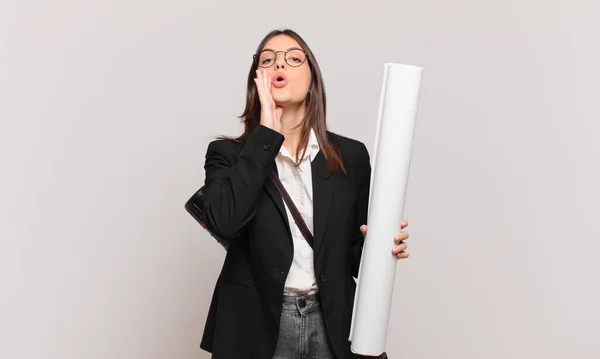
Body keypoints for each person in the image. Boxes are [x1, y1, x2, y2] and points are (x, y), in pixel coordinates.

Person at [193, 29, 410, 359]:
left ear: (313, 78)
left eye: (293, 58)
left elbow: (352, 255)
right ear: (257, 80)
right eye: (268, 59)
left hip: (333, 321)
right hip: (257, 326)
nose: (279, 63)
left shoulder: (350, 156)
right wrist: (266, 135)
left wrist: (382, 247)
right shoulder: (228, 155)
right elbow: (225, 222)